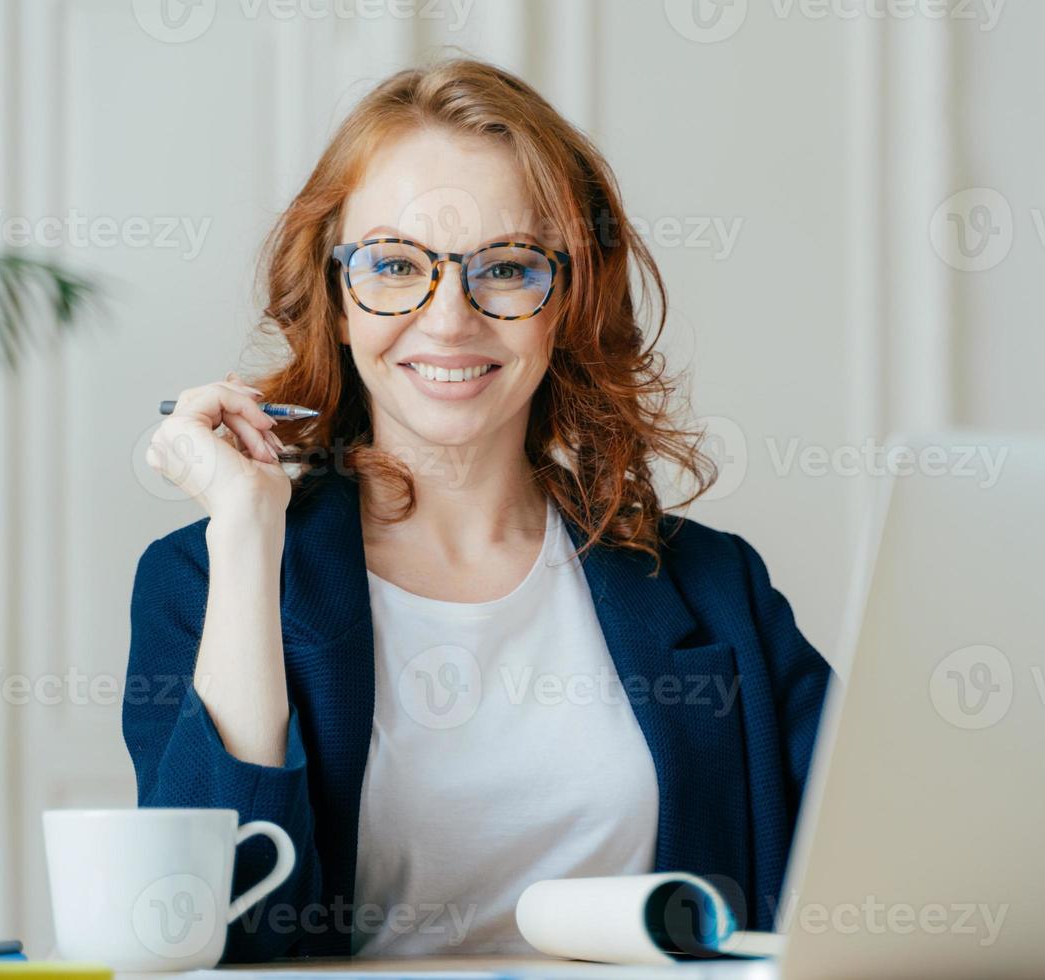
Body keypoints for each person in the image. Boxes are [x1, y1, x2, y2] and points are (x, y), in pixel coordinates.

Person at [124, 58, 830, 963]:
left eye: (505, 267)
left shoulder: (716, 586)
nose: (449, 319)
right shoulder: (208, 575)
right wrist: (249, 531)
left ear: (567, 301)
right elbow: (198, 929)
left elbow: (893, 857)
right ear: (337, 300)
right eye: (392, 265)